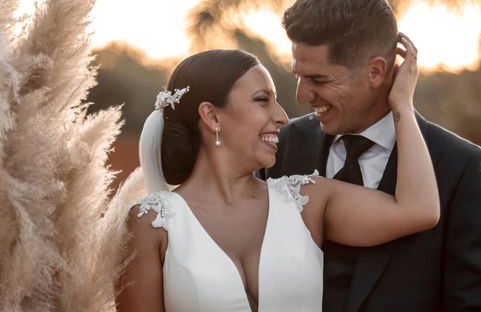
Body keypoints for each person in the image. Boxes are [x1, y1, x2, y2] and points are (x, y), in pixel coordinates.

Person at [116, 43, 437, 312]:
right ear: (212, 116)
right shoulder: (151, 223)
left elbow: (419, 209)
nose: (282, 116)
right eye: (262, 100)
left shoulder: (308, 202)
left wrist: (402, 106)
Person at [269, 0, 481, 311]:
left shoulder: (460, 168)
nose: (301, 96)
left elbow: (479, 305)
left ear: (376, 72)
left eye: (319, 79)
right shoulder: (279, 150)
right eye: (298, 74)